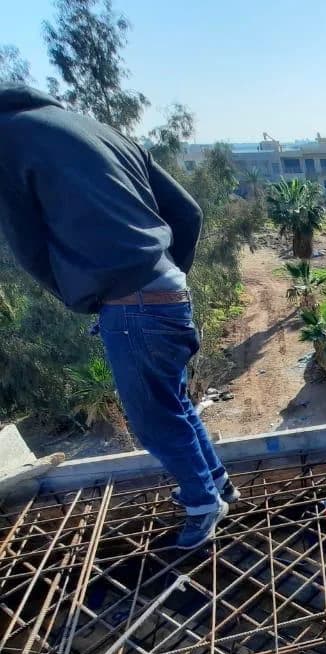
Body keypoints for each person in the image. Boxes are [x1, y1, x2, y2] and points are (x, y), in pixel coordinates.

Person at [0, 84, 237, 549]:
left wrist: (80, 294)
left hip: (131, 306)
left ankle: (202, 505)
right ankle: (216, 486)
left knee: (153, 419)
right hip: (166, 294)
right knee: (172, 403)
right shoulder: (100, 129)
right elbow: (187, 213)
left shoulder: (7, 138)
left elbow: (27, 247)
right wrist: (167, 275)